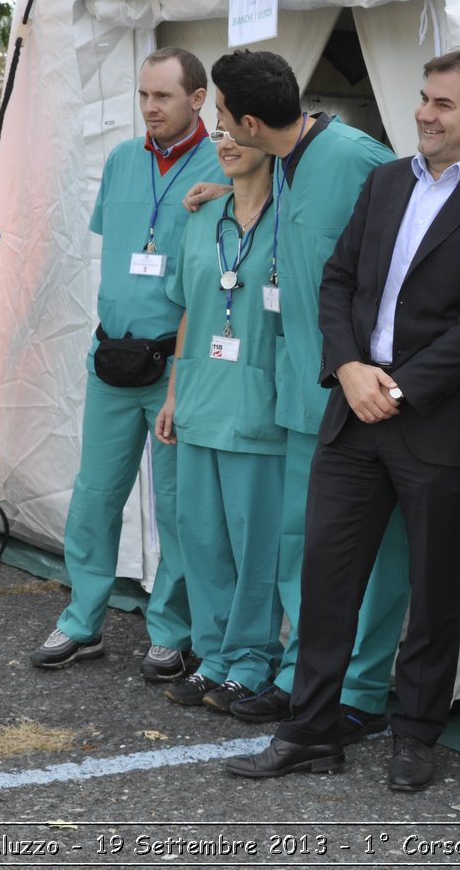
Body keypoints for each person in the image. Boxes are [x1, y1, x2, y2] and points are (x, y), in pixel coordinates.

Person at [224, 50, 460, 789]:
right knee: (327, 574)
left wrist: (396, 387)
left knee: (433, 587)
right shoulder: (386, 179)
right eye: (424, 98)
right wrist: (349, 368)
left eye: (444, 105)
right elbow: (337, 280)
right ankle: (309, 729)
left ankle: (417, 732)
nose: (425, 114)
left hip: (433, 423)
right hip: (352, 412)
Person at [193, 49, 408, 739]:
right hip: (299, 391)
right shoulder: (282, 162)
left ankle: (362, 687)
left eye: (221, 115)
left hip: (360, 397)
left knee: (371, 559)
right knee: (300, 546)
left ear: (250, 120)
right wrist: (223, 193)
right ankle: (299, 675)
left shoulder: (355, 157)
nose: (216, 128)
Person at [26, 48, 220, 675]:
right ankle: (83, 620)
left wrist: (222, 193)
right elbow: (121, 253)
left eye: (163, 96)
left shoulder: (225, 164)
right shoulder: (119, 161)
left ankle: (172, 628)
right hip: (112, 358)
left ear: (198, 99)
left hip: (174, 368)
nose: (150, 108)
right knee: (94, 496)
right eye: (143, 95)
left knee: (177, 507)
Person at [153, 134, 284, 710]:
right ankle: (213, 654)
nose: (227, 141)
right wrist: (174, 394)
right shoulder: (201, 214)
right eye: (221, 128)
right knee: (201, 535)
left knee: (255, 540)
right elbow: (190, 309)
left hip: (258, 400)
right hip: (201, 394)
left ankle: (253, 657)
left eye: (240, 128)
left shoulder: (293, 216)